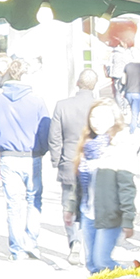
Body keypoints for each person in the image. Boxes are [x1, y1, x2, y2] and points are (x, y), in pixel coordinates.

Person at [0, 58, 49, 260]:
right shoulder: (37, 101)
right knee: (33, 199)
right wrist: (42, 150)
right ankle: (31, 242)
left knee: (13, 204)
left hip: (8, 157)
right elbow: (45, 129)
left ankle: (17, 250)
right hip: (31, 156)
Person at [48, 68, 103, 260]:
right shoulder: (100, 106)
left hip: (70, 161)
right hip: (94, 163)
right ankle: (89, 244)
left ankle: (75, 241)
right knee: (91, 204)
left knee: (69, 204)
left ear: (78, 83)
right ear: (94, 86)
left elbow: (54, 136)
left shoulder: (62, 106)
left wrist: (57, 159)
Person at [77, 101, 137, 275]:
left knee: (102, 260)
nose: (96, 121)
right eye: (93, 116)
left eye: (102, 117)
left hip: (109, 214)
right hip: (88, 212)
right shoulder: (87, 145)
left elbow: (127, 186)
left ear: (113, 119)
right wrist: (70, 207)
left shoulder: (119, 146)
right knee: (91, 264)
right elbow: (77, 184)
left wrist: (128, 218)